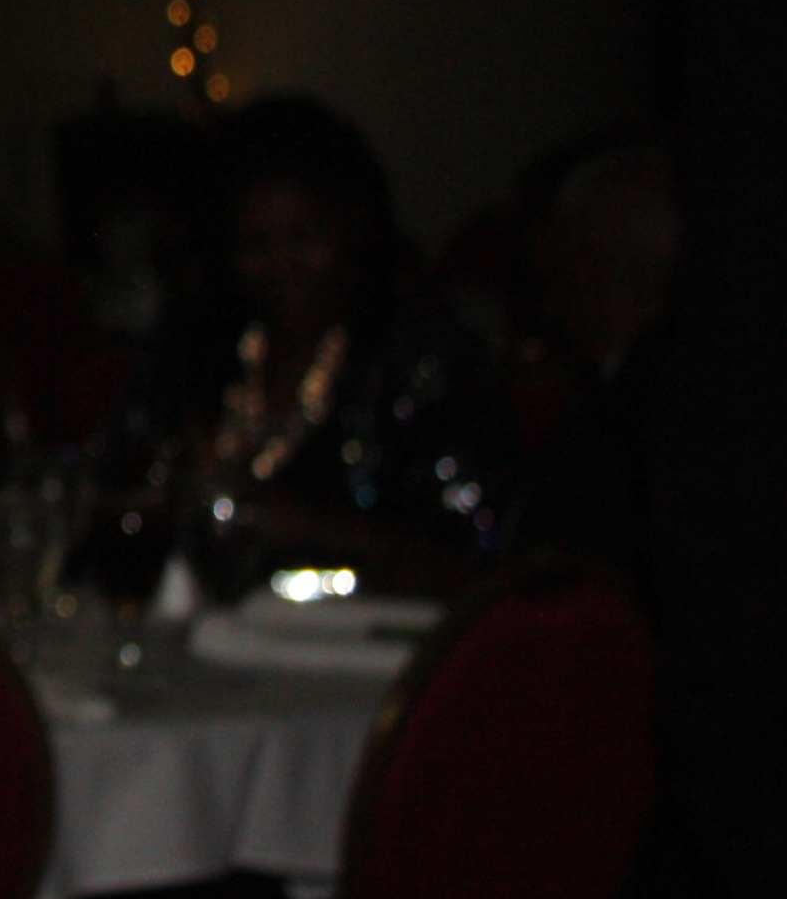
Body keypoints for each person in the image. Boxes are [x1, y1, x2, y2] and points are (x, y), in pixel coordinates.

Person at [135, 94, 515, 561]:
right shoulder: (196, 350)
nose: (281, 266)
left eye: (305, 237)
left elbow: (471, 558)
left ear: (355, 226)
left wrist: (286, 522)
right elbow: (119, 491)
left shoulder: (421, 365)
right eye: (256, 243)